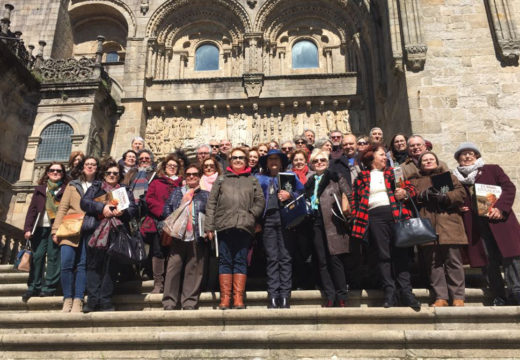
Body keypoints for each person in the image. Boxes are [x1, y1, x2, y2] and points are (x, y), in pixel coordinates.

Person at [351, 145, 420, 309]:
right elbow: (354, 200)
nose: (385, 157)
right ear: (371, 157)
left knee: (400, 253)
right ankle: (389, 292)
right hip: (373, 217)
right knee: (383, 255)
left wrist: (404, 192)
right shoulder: (362, 176)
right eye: (382, 155)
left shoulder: (393, 172)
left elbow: (410, 188)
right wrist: (356, 217)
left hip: (395, 214)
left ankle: (406, 292)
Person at [453, 142, 520, 305]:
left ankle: (516, 291)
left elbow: (509, 188)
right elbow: (452, 197)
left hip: (499, 221)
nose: (467, 156)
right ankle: (499, 295)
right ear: (458, 159)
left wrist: (500, 208)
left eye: (470, 153)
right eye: (463, 154)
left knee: (511, 257)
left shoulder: (492, 169)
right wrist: (458, 206)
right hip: (476, 225)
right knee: (488, 260)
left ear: (476, 156)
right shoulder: (455, 178)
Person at [204, 147, 265, 309]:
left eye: (241, 158)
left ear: (246, 161)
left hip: (244, 226)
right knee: (225, 261)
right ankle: (225, 298)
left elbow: (260, 201)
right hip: (224, 225)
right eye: (235, 158)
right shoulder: (222, 179)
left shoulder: (252, 180)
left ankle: (238, 298)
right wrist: (209, 226)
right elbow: (211, 203)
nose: (238, 160)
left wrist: (251, 216)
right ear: (230, 161)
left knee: (240, 260)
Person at [80, 158, 137, 312]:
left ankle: (105, 300)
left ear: (119, 175)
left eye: (115, 173)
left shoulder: (125, 190)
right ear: (104, 174)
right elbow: (84, 203)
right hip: (95, 231)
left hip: (116, 232)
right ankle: (92, 301)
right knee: (93, 266)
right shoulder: (96, 187)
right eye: (109, 173)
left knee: (111, 267)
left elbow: (133, 209)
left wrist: (123, 212)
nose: (112, 175)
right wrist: (101, 208)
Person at [411, 151, 467, 307]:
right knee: (433, 264)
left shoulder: (448, 176)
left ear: (437, 162)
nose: (428, 162)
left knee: (453, 262)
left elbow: (461, 194)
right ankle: (441, 297)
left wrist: (446, 197)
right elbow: (411, 197)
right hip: (427, 225)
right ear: (420, 164)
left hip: (449, 224)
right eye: (425, 160)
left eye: (431, 159)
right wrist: (423, 195)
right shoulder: (415, 181)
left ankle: (457, 297)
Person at [256, 149, 304, 308]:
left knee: (285, 257)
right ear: (266, 163)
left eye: (276, 159)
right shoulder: (260, 179)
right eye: (270, 159)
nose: (274, 162)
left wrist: (290, 196)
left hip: (286, 219)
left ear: (282, 162)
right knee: (272, 258)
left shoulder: (289, 177)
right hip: (268, 220)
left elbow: (302, 193)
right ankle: (273, 295)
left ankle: (284, 295)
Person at [304, 149, 353, 307]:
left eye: (322, 160)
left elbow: (349, 196)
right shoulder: (310, 181)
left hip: (333, 221)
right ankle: (330, 295)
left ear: (327, 162)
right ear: (311, 164)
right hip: (315, 221)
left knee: (335, 259)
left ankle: (342, 296)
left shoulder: (335, 177)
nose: (319, 163)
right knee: (322, 261)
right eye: (316, 161)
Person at [52, 156, 100, 312]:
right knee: (66, 264)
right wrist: (55, 230)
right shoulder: (72, 185)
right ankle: (67, 298)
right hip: (69, 228)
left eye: (93, 165)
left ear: (97, 168)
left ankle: (78, 298)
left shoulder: (100, 186)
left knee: (82, 265)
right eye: (87, 164)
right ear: (83, 167)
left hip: (88, 229)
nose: (90, 167)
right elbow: (63, 208)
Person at [162, 164, 209, 310]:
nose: (191, 177)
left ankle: (189, 301)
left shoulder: (206, 195)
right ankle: (169, 301)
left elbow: (211, 213)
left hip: (197, 235)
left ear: (199, 176)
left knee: (194, 270)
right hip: (178, 236)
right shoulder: (177, 192)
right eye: (188, 174)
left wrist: (208, 228)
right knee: (173, 269)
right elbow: (167, 209)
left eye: (195, 174)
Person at [21, 162, 68, 301]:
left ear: (63, 174)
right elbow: (32, 210)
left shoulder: (66, 189)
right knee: (37, 256)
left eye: (58, 171)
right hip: (39, 228)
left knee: (54, 257)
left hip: (56, 228)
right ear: (47, 173)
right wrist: (27, 228)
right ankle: (33, 286)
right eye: (52, 170)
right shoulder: (40, 189)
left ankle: (49, 287)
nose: (55, 172)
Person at [143, 154, 183, 293]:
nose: (172, 167)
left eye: (175, 166)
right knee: (158, 252)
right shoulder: (156, 182)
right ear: (165, 167)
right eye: (169, 165)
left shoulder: (182, 183)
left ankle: (171, 283)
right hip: (158, 221)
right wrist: (163, 213)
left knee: (174, 252)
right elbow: (150, 199)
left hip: (179, 222)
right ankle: (158, 283)